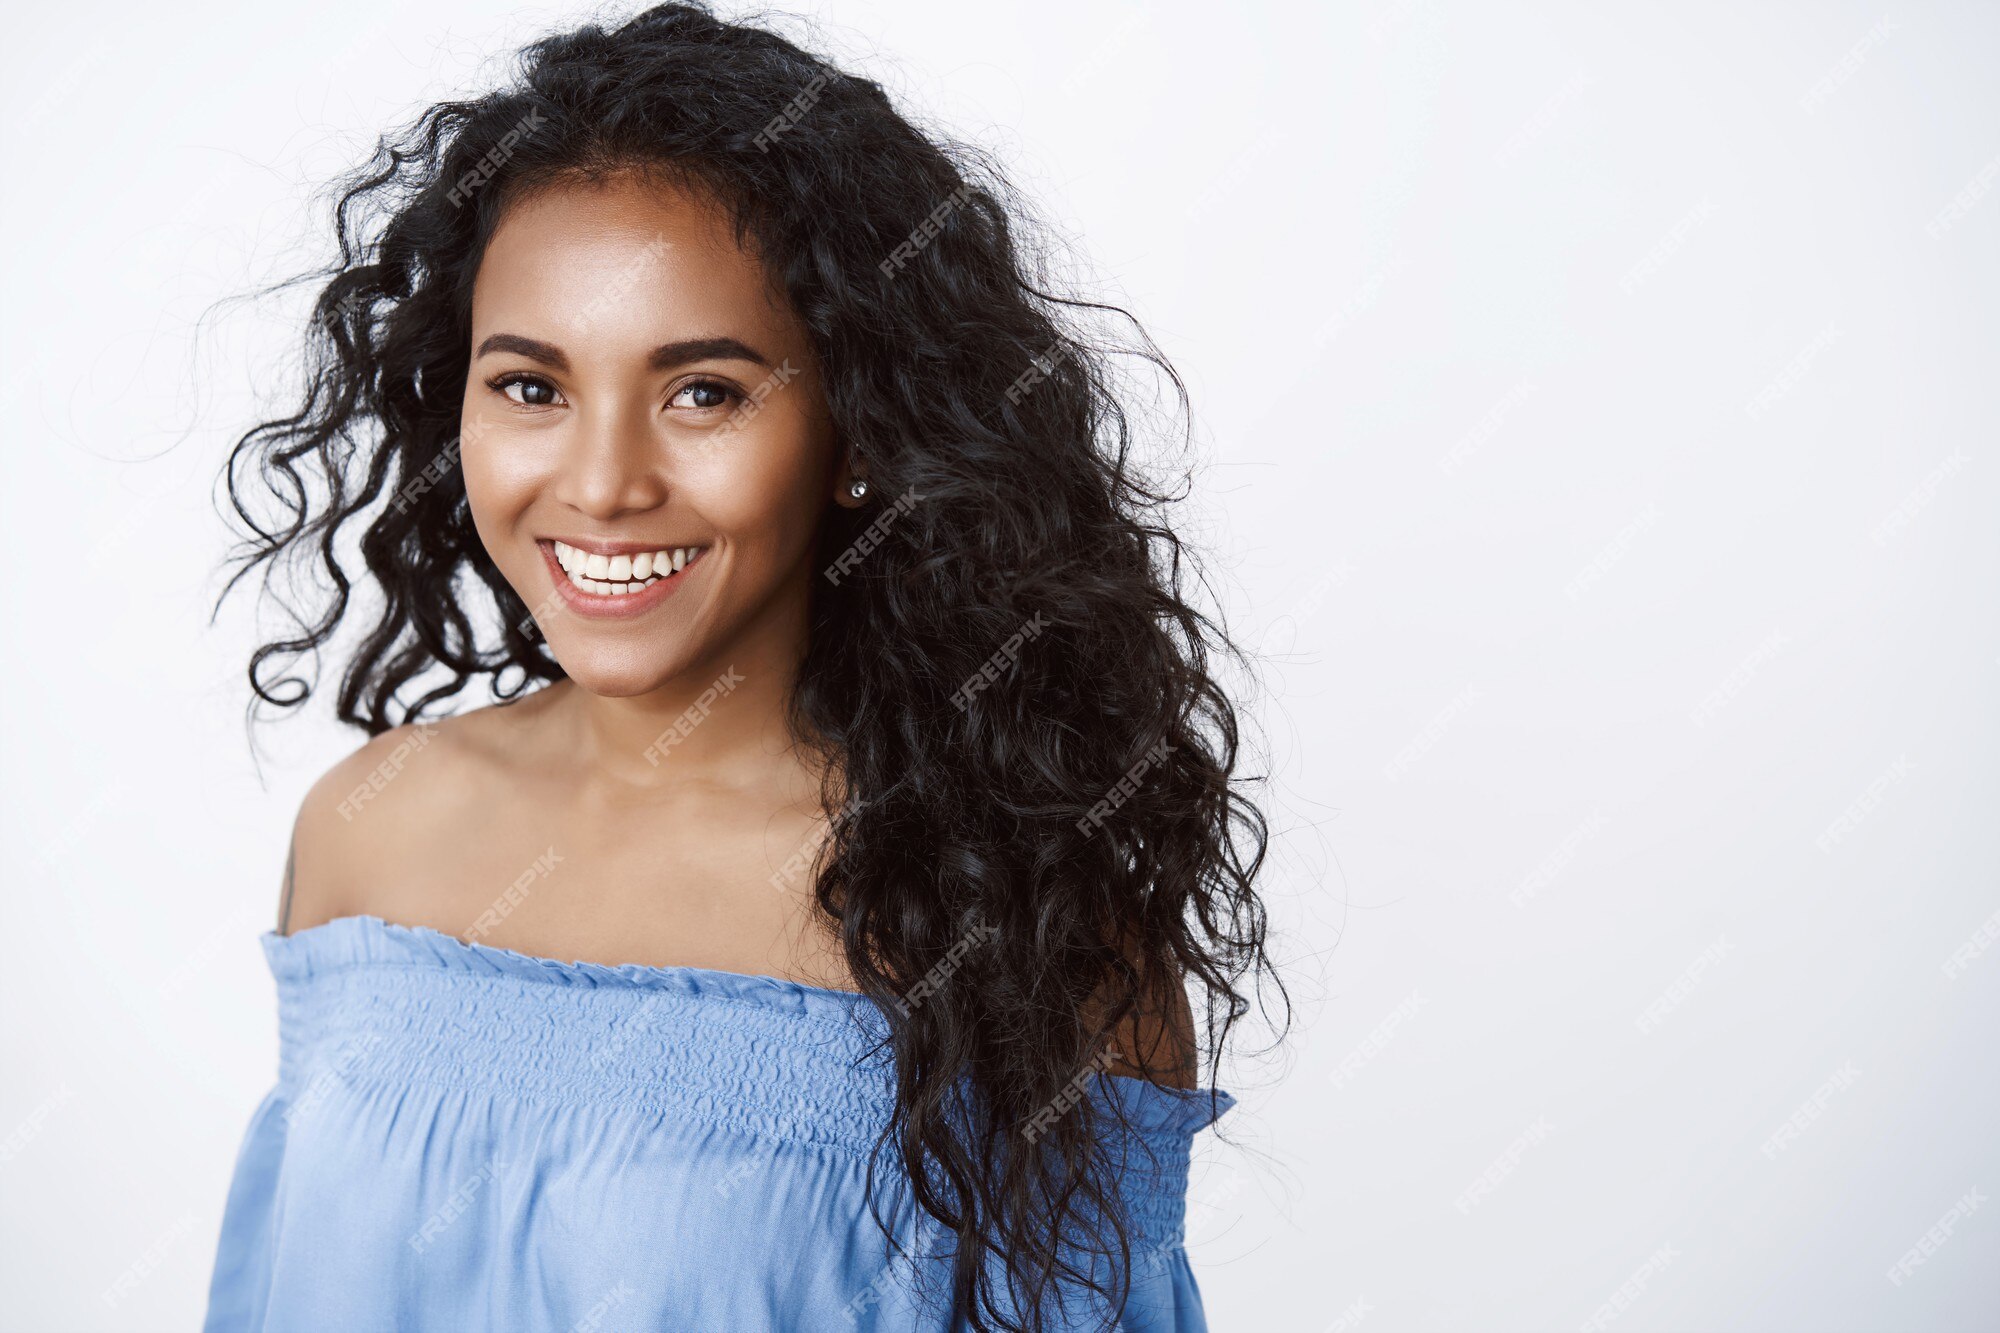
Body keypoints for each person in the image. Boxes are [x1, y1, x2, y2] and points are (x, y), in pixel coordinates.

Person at [204, 5, 1278, 1329]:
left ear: (857, 430)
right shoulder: (368, 835)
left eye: (703, 391)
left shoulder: (1023, 932)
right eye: (531, 388)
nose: (601, 485)